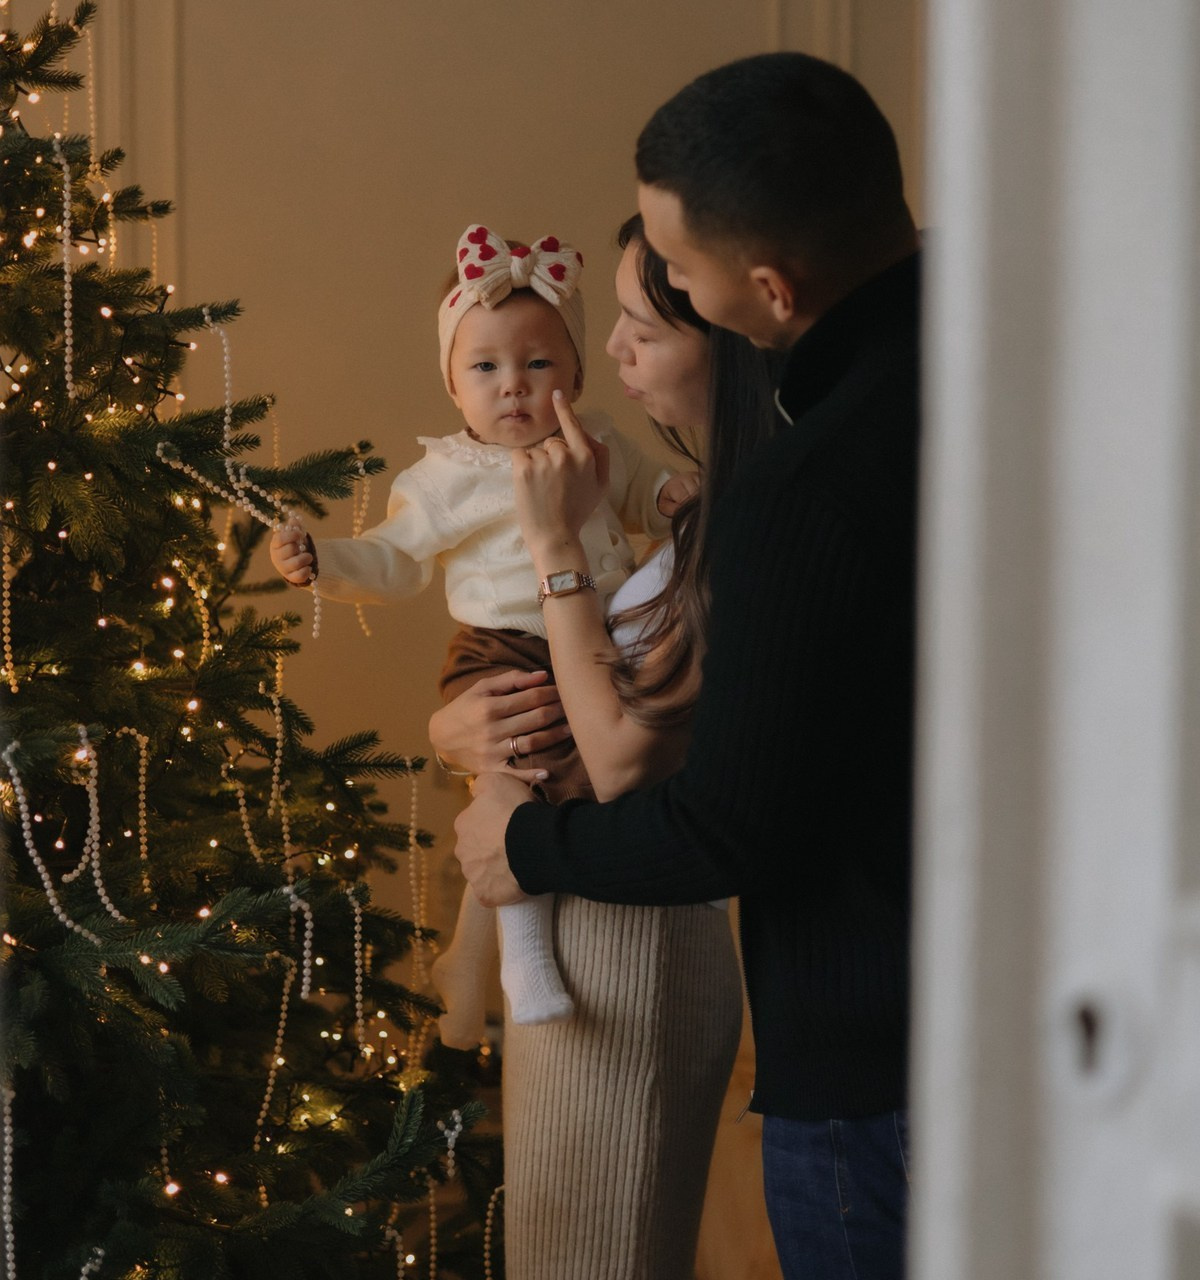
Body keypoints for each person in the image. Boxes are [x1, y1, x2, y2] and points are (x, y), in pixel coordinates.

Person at [452, 52, 922, 1280]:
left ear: (760, 293)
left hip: (862, 1049)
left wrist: (518, 845)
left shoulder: (794, 492)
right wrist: (468, 718)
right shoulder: (994, 378)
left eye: (673, 283)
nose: (607, 350)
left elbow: (704, 811)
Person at [430, 214, 778, 1279]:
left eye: (638, 325)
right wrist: (457, 723)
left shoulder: (739, 516)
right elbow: (568, 697)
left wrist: (549, 549)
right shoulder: (689, 503)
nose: (611, 353)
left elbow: (623, 752)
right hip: (585, 943)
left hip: (629, 955)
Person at [269, 222, 692, 1037]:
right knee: (510, 782)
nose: (514, 387)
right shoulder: (443, 480)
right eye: (486, 368)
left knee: (589, 785)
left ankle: (467, 953)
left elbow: (645, 494)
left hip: (597, 637)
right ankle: (519, 957)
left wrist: (679, 495)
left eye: (538, 363)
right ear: (453, 386)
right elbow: (395, 560)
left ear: (574, 369)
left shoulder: (597, 438)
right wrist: (324, 559)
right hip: (498, 652)